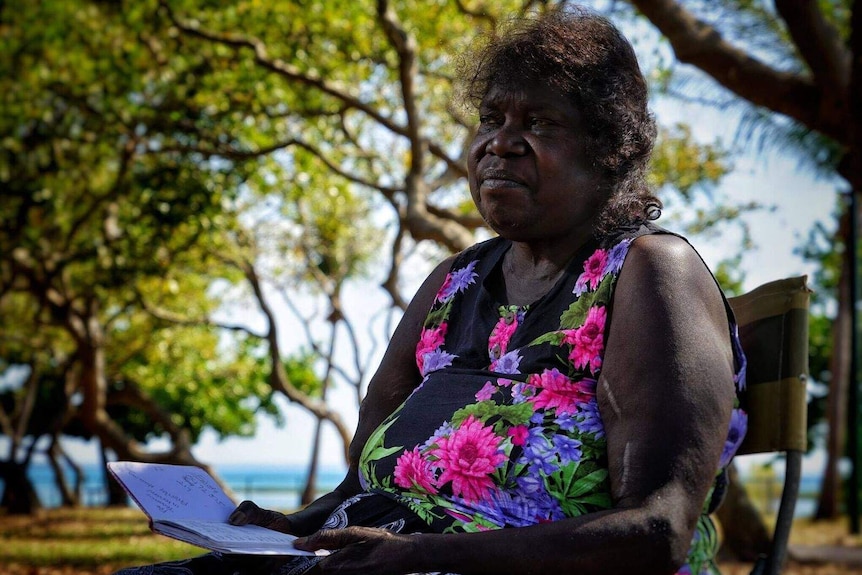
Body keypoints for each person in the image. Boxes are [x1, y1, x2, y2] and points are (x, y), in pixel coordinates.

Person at [114, 7, 747, 575]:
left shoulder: (648, 272)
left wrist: (421, 554)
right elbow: (355, 488)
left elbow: (657, 531)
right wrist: (292, 526)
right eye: (490, 118)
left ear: (608, 148)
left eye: (539, 122)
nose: (499, 142)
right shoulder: (455, 283)